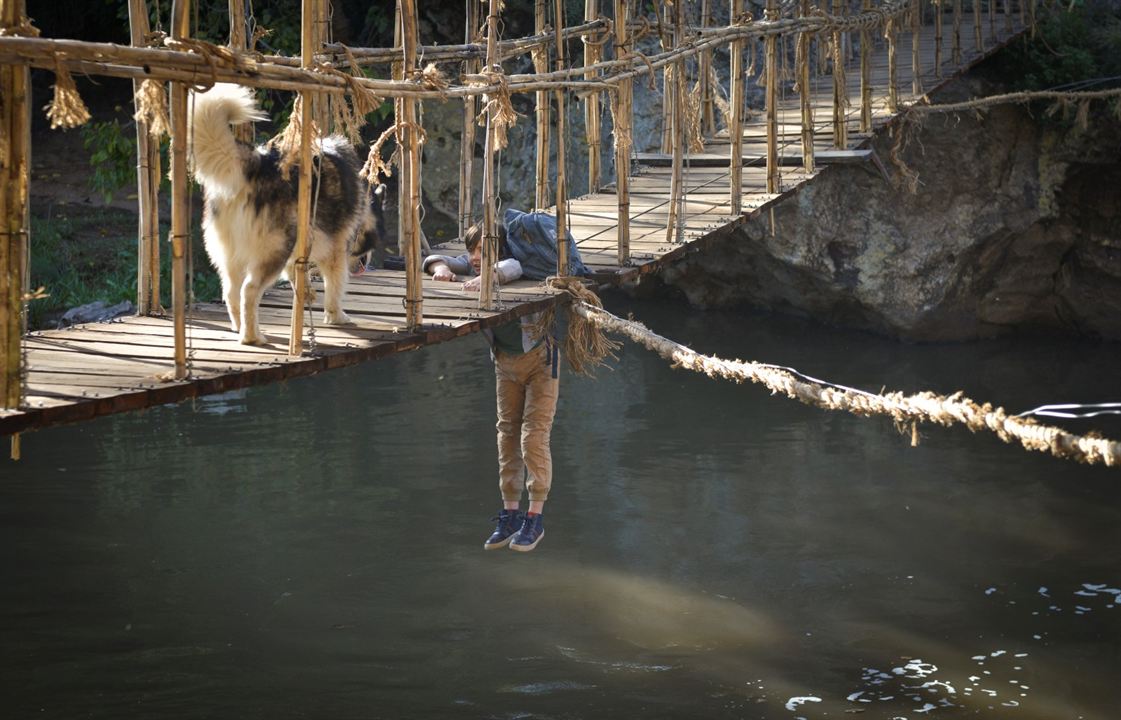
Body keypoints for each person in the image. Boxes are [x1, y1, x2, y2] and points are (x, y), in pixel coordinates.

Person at [424, 221, 559, 552]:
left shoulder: (513, 265)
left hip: (541, 362)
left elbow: (511, 268)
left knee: (533, 436)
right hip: (504, 363)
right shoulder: (473, 263)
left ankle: (535, 518)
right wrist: (441, 267)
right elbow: (434, 260)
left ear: (497, 251)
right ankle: (510, 513)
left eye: (482, 252)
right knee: (506, 435)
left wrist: (486, 276)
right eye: (472, 251)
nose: (474, 258)